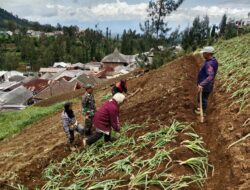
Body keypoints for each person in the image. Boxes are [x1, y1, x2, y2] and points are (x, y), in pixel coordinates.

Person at [195, 46, 219, 115]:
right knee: (202, 96)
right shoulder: (213, 61)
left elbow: (210, 76)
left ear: (208, 54)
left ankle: (203, 112)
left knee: (203, 98)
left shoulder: (209, 64)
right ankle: (200, 108)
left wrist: (202, 84)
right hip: (207, 84)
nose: (202, 55)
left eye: (204, 53)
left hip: (206, 85)